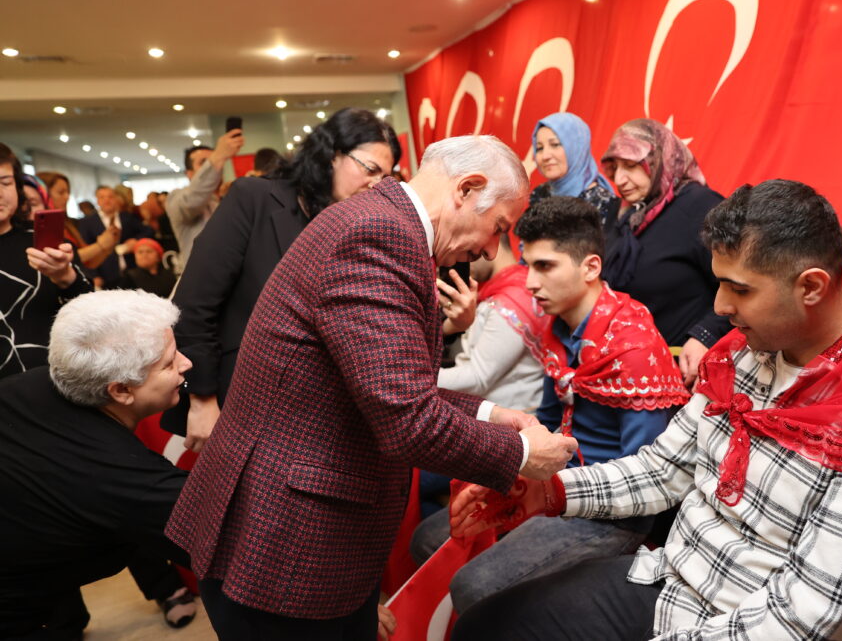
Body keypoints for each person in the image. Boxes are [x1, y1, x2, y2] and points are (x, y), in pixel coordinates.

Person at [450, 180, 842, 641]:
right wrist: (547, 491)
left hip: (744, 618)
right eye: (719, 284)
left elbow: (806, 617)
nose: (720, 306)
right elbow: (665, 469)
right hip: (672, 584)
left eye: (740, 289)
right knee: (484, 625)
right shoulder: (745, 354)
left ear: (811, 286)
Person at [165, 134, 578, 639]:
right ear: (467, 189)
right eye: (498, 227)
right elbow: (408, 420)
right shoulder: (378, 235)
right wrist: (521, 454)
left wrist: (489, 415)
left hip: (294, 528)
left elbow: (385, 382)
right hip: (283, 539)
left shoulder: (379, 221)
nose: (492, 248)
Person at [414, 196, 687, 612]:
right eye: (528, 265)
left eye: (545, 266)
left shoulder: (632, 348)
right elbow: (544, 421)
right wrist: (518, 471)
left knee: (475, 585)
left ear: (590, 268)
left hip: (611, 510)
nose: (529, 283)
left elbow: (645, 473)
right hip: (552, 481)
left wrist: (549, 488)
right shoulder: (557, 328)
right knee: (428, 539)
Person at [166, 108, 402, 452]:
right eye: (370, 169)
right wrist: (202, 399)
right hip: (240, 400)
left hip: (316, 415)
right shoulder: (255, 198)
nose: (376, 185)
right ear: (332, 155)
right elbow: (194, 303)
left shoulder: (352, 225)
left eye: (386, 177)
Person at [0, 290, 194, 638]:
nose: (186, 363)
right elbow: (238, 541)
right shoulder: (124, 478)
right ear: (120, 391)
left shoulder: (34, 382)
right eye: (168, 363)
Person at [601, 119, 731, 386]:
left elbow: (740, 286)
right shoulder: (627, 214)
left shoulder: (700, 207)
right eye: (615, 168)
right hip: (628, 372)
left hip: (686, 374)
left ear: (660, 159)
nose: (619, 180)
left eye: (630, 166)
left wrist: (705, 335)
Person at [0, 143, 91, 380]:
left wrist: (65, 277)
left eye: (6, 183)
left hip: (51, 380)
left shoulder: (44, 242)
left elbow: (89, 312)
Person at [436, 232, 545, 410]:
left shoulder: (513, 299)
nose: (460, 259)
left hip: (512, 418)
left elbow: (477, 379)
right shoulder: (501, 289)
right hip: (495, 413)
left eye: (466, 251)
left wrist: (414, 376)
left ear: (490, 241)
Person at [165, 128, 245, 273]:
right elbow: (192, 200)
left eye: (212, 162)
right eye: (204, 163)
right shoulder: (176, 198)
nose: (213, 167)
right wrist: (218, 156)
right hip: (199, 277)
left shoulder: (223, 198)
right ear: (189, 174)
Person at [530, 112, 617, 225]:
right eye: (539, 148)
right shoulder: (540, 194)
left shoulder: (603, 203)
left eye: (555, 145)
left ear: (577, 147)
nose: (545, 156)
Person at [37, 171, 120, 269]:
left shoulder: (67, 224)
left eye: (68, 192)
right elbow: (64, 259)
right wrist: (100, 245)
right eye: (61, 192)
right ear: (44, 194)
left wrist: (107, 247)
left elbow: (88, 263)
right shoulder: (42, 228)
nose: (67, 197)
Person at [78, 184, 153, 287]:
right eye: (102, 197)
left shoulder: (127, 217)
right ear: (97, 201)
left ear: (116, 199)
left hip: (131, 272)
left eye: (110, 197)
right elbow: (85, 248)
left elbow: (148, 231)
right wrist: (94, 275)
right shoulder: (88, 222)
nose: (107, 200)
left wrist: (135, 241)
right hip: (106, 275)